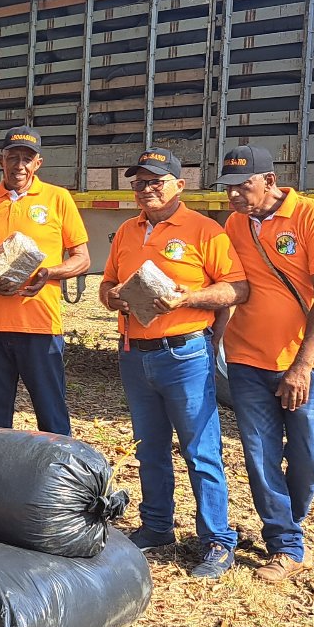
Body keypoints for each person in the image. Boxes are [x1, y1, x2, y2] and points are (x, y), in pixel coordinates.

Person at [100, 148, 248, 579]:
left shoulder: (204, 230)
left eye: (155, 182)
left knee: (200, 451)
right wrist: (110, 296)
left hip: (185, 353)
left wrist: (188, 298)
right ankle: (157, 526)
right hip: (135, 354)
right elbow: (108, 283)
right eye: (139, 183)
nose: (146, 189)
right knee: (150, 449)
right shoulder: (127, 231)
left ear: (180, 186)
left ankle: (217, 540)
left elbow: (236, 288)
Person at [216, 145, 314, 582]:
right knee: (260, 455)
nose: (233, 195)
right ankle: (285, 543)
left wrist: (303, 365)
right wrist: (215, 343)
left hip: (307, 363)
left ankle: (289, 518)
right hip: (247, 358)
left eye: (242, 186)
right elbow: (230, 285)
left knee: (310, 453)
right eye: (228, 188)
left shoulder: (312, 215)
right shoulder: (234, 224)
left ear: (269, 180)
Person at [0, 126, 89, 435]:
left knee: (51, 411)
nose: (19, 166)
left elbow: (82, 258)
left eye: (27, 159)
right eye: (12, 157)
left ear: (38, 163)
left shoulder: (58, 199)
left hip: (40, 326)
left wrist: (48, 273)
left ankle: (57, 477)